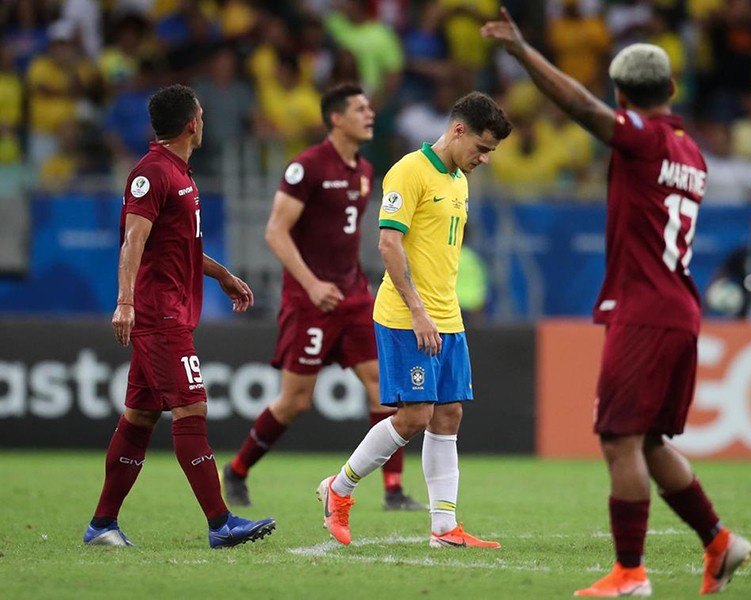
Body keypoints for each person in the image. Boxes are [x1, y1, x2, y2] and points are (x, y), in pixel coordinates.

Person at [483, 10, 751, 596]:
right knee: (648, 441)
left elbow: (581, 107)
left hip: (646, 309)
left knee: (619, 440)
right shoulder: (691, 152)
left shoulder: (645, 140)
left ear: (622, 96)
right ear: (672, 88)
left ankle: (630, 573)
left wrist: (523, 52)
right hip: (678, 308)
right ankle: (718, 542)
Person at [82, 84, 276, 549]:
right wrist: (125, 302)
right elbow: (133, 240)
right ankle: (221, 523)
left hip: (169, 312)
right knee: (191, 408)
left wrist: (222, 274)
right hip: (159, 315)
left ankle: (102, 525)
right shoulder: (151, 173)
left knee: (140, 417)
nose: (203, 121)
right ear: (193, 123)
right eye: (202, 115)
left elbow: (180, 245)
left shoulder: (177, 173)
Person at [316, 91, 511, 548]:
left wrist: (441, 313)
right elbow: (388, 244)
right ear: (458, 130)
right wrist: (420, 312)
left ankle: (444, 528)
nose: (484, 159)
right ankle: (338, 489)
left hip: (448, 317)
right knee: (415, 416)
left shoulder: (459, 179)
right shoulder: (409, 171)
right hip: (407, 316)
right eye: (481, 148)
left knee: (449, 414)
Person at [221, 83, 424, 511]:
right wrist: (312, 284)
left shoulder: (365, 170)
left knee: (383, 389)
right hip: (310, 301)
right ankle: (237, 470)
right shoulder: (307, 167)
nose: (370, 114)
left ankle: (393, 489)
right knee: (296, 401)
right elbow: (275, 231)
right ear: (336, 118)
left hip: (353, 297)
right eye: (360, 109)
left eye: (369, 108)